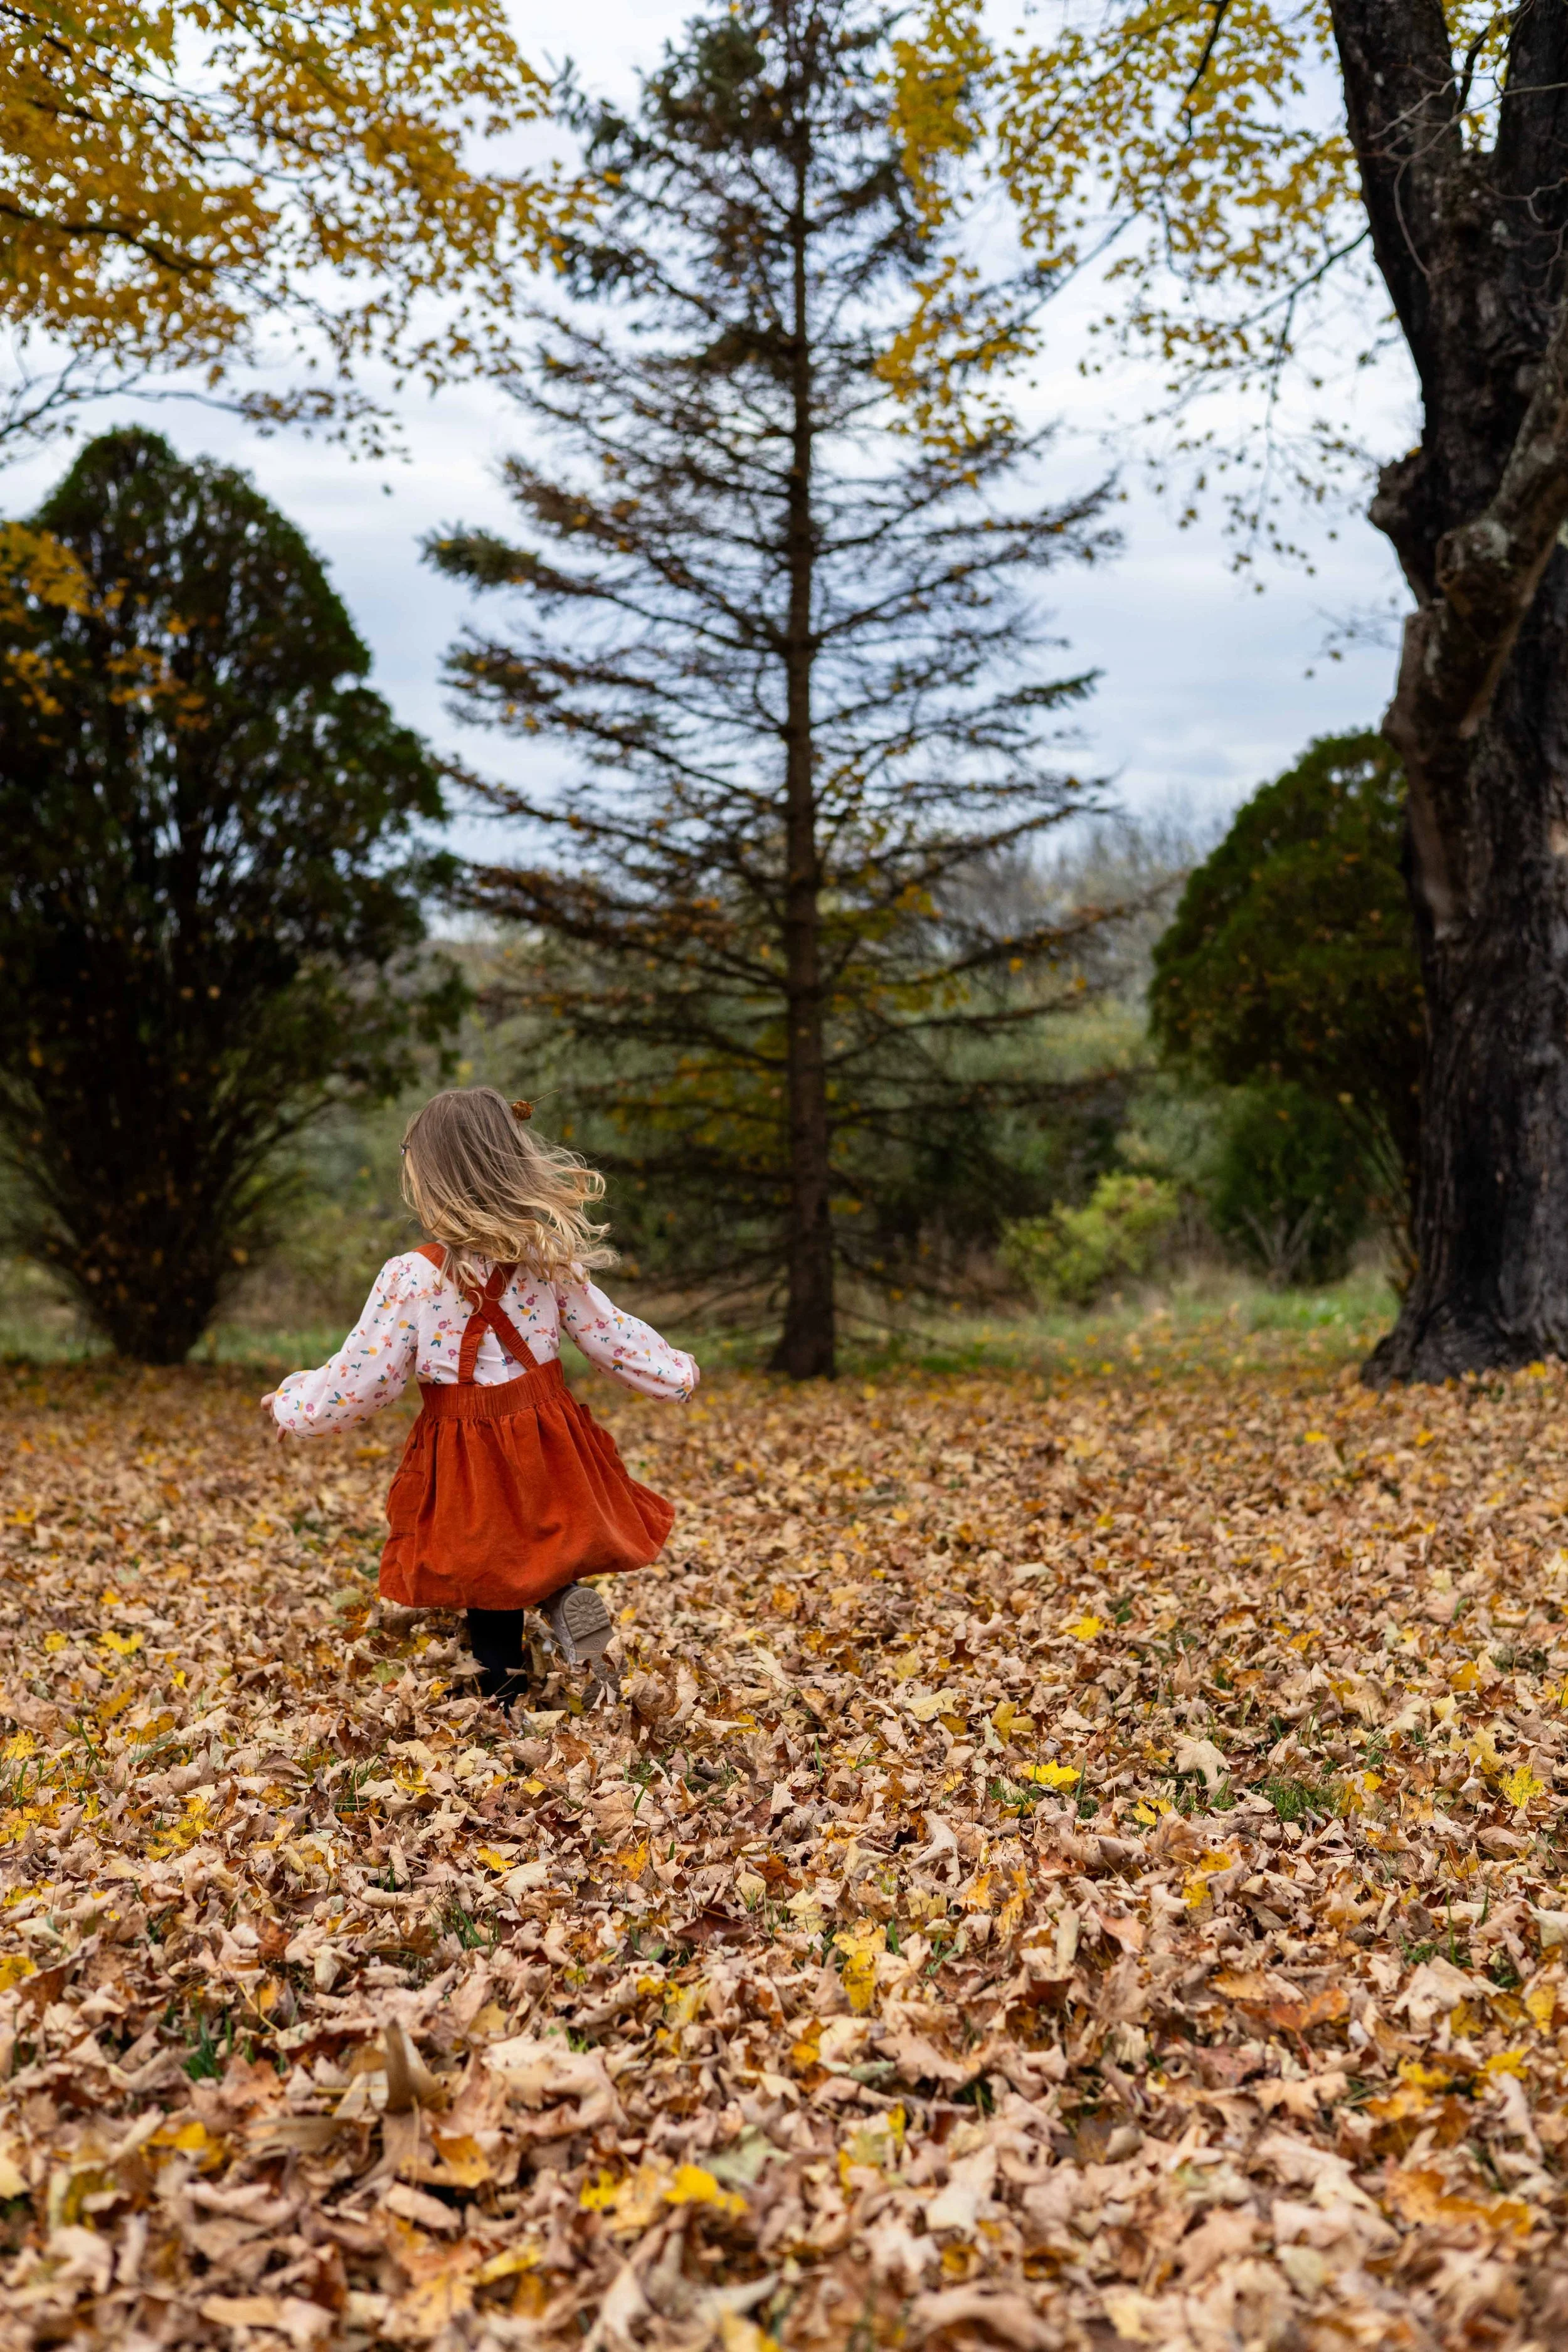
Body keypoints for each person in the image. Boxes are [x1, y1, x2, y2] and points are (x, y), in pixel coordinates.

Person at [262, 1086, 699, 1706]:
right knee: (546, 1535)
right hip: (548, 1430)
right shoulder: (547, 1259)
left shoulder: (412, 1276)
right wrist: (673, 1372)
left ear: (434, 1178)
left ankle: (500, 1701)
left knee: (487, 1571)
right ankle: (563, 1601)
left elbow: (364, 1377)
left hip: (465, 1446)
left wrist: (293, 1405)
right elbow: (607, 1333)